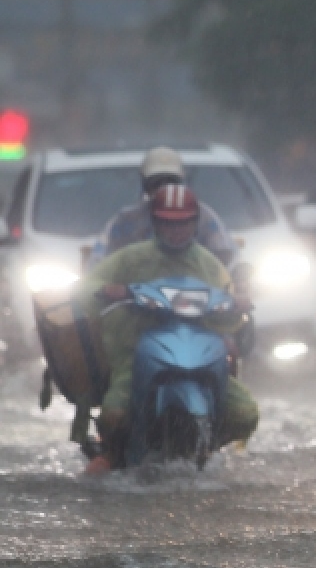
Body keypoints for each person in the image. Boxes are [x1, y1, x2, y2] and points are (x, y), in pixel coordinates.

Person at [78, 184, 259, 475]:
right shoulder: (130, 259)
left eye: (183, 222)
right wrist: (108, 290)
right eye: (167, 222)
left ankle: (209, 449)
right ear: (155, 222)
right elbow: (83, 289)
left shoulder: (209, 265)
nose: (176, 230)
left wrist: (235, 305)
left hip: (201, 352)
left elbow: (227, 315)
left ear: (194, 222)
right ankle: (115, 452)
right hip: (136, 354)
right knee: (115, 413)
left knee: (244, 413)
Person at [92, 146, 236, 266]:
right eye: (156, 183)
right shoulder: (126, 220)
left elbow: (226, 256)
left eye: (183, 222)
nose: (163, 188)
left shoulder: (204, 216)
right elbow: (103, 264)